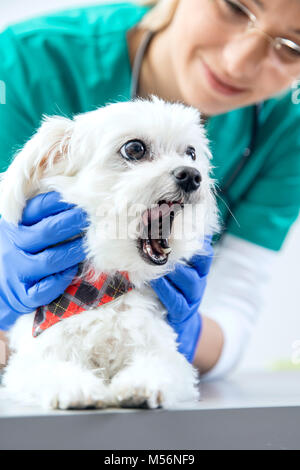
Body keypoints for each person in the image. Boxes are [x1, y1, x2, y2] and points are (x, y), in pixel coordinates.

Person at [0, 0, 300, 379]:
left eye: (293, 48)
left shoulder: (288, 129)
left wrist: (185, 333)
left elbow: (234, 312)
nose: (239, 62)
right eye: (235, 8)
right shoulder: (24, 62)